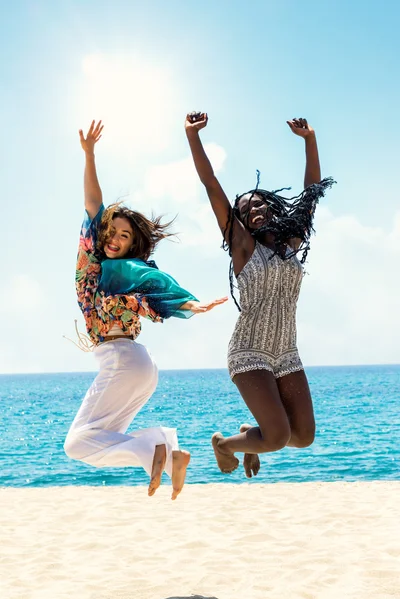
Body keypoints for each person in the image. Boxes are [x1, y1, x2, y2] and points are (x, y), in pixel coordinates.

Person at [64, 120, 227, 500]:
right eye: (113, 232)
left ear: (132, 243)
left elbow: (160, 290)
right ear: (102, 235)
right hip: (138, 365)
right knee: (104, 437)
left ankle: (155, 444)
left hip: (122, 360)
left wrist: (191, 304)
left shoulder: (112, 270)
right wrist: (89, 155)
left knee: (77, 444)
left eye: (126, 235)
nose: (118, 239)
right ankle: (170, 452)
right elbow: (95, 207)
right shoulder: (121, 274)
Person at [185, 112, 334, 477]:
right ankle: (224, 445)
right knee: (278, 436)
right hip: (248, 349)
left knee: (303, 436)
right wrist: (192, 136)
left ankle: (251, 438)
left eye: (257, 203)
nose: (252, 210)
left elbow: (312, 194)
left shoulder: (290, 243)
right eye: (244, 208)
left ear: (270, 205)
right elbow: (210, 184)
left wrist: (309, 140)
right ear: (239, 220)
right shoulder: (242, 247)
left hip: (287, 350)